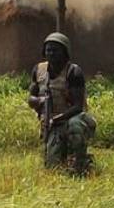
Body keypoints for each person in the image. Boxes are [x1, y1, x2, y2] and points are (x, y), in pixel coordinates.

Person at [27, 32, 97, 175]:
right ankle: (66, 156)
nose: (51, 53)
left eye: (55, 50)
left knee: (74, 126)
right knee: (53, 167)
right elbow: (30, 98)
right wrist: (39, 101)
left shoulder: (73, 72)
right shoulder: (38, 70)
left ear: (65, 52)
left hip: (75, 118)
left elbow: (77, 107)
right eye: (48, 50)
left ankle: (81, 163)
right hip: (52, 124)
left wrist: (56, 119)